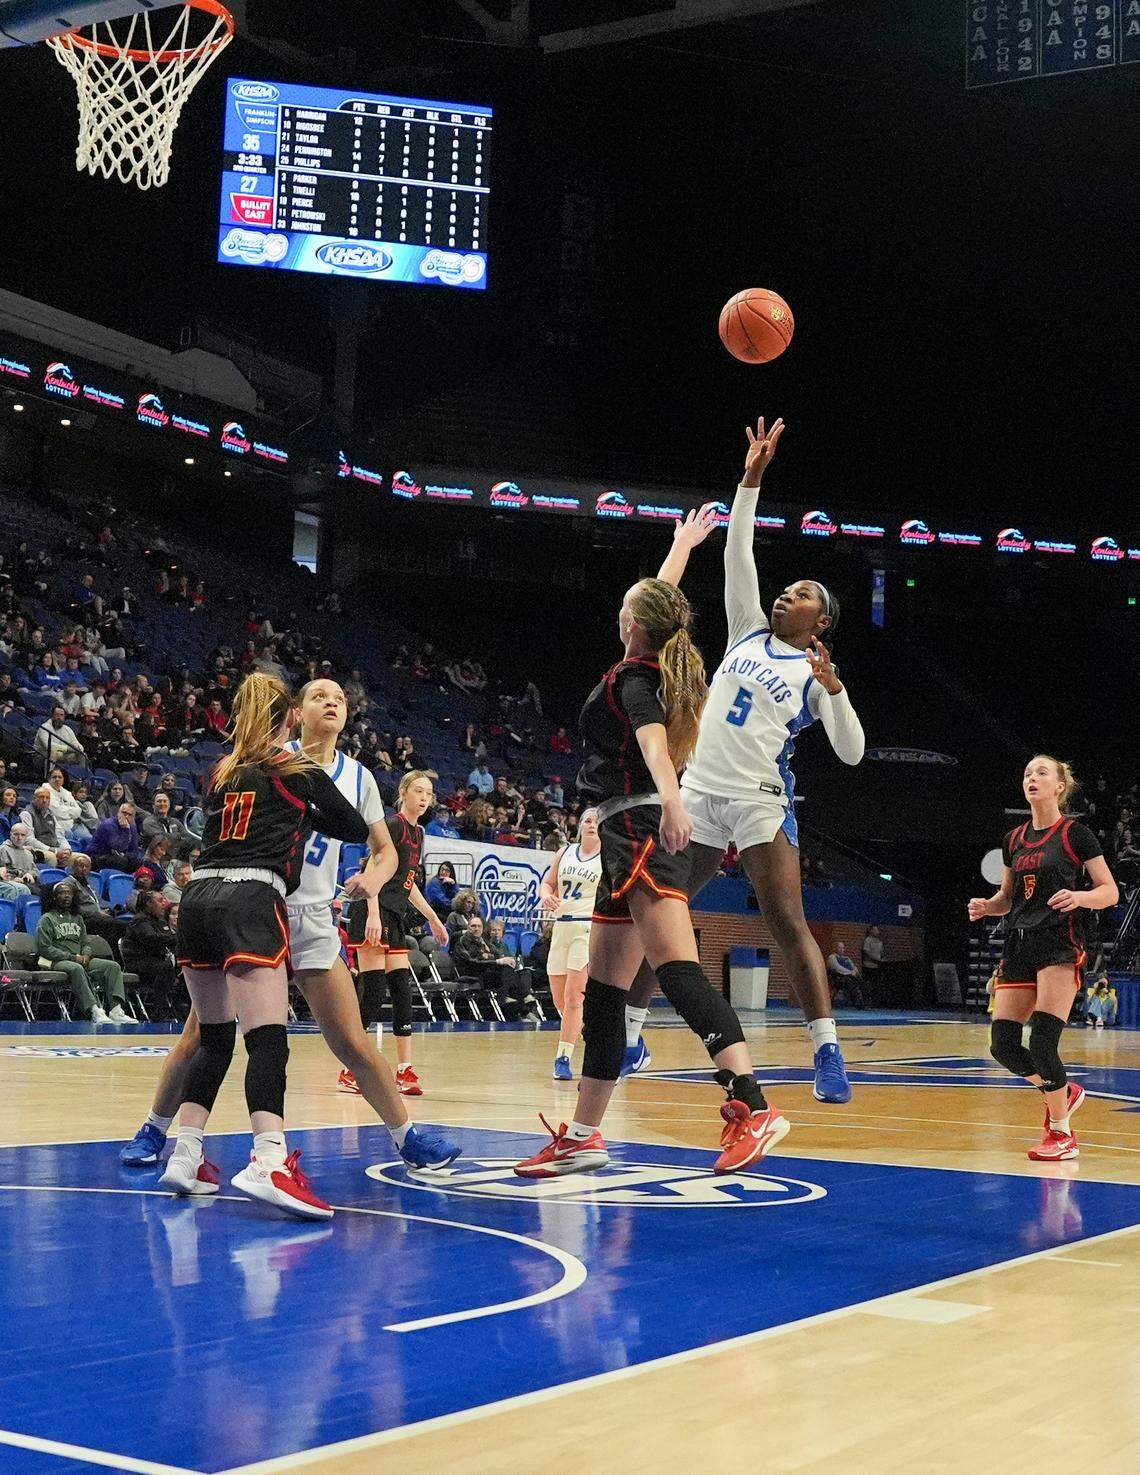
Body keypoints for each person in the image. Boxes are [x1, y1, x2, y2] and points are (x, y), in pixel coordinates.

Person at [515, 515, 789, 1179]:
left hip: (641, 825)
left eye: (625, 607)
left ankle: (753, 1105)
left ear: (634, 622)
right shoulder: (648, 660)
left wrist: (672, 799)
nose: (620, 610)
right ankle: (583, 1134)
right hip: (622, 830)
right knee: (607, 992)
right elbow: (660, 605)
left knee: (676, 967)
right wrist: (681, 548)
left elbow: (652, 743)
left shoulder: (635, 682)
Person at [122, 678, 460, 1175]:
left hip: (311, 916)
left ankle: (406, 1137)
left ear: (347, 716)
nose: (331, 702)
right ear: (296, 712)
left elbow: (385, 850)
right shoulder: (270, 757)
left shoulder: (359, 777)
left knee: (351, 1039)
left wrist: (371, 879)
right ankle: (154, 1128)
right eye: (319, 695)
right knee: (201, 1032)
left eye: (340, 698)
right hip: (257, 904)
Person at [621, 420, 864, 1104]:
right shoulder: (745, 629)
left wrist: (837, 693)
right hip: (698, 789)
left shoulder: (817, 674)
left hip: (759, 797)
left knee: (787, 918)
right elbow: (738, 550)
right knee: (664, 914)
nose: (787, 594)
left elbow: (851, 752)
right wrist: (750, 478)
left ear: (821, 623)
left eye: (803, 595)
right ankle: (633, 1031)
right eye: (787, 589)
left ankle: (827, 1052)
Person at [156, 672, 374, 1215]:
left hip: (198, 899)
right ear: (292, 719)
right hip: (251, 899)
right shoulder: (296, 767)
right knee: (268, 1041)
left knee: (214, 1038)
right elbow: (352, 826)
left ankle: (185, 1155)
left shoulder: (224, 770)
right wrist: (307, 808)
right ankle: (269, 1160)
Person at [968, 755, 1118, 1162]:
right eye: (1027, 774)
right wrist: (988, 906)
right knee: (1002, 1045)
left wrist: (1081, 897)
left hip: (1059, 944)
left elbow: (1110, 891)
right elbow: (1008, 898)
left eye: (1041, 773)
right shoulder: (1013, 839)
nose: (1032, 778)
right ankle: (1062, 1092)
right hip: (1019, 945)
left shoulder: (1076, 834)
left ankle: (1062, 1134)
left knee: (1043, 1041)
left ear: (1059, 787)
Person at [343, 770, 450, 1097]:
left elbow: (408, 883)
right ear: (403, 793)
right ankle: (349, 1069)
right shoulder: (392, 826)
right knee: (373, 991)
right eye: (418, 790)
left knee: (402, 991)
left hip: (394, 915)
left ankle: (405, 1070)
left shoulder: (419, 834)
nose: (423, 797)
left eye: (428, 793)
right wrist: (373, 913)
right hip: (372, 912)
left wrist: (433, 917)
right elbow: (370, 870)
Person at [539, 808, 602, 1080]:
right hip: (561, 926)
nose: (591, 824)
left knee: (574, 997)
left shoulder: (608, 857)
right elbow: (548, 883)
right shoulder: (564, 852)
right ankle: (601, 1036)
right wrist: (545, 895)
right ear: (580, 826)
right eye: (587, 820)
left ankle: (563, 1058)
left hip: (588, 926)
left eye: (597, 821)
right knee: (560, 1000)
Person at [35, 878, 134, 1025]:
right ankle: (94, 1009)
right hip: (52, 961)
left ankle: (116, 1010)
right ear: (54, 897)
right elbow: (44, 949)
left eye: (69, 893)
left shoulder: (78, 918)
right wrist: (73, 957)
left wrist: (86, 954)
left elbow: (85, 942)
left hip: (80, 959)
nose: (67, 896)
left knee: (113, 966)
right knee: (76, 967)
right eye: (62, 893)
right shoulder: (46, 919)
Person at [453, 915, 541, 1022]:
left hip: (492, 972)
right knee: (507, 972)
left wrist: (505, 960)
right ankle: (519, 1008)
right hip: (476, 974)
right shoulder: (462, 942)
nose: (476, 929)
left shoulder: (484, 942)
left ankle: (523, 998)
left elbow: (498, 955)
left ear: (482, 928)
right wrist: (496, 961)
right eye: (473, 926)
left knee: (524, 972)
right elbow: (471, 962)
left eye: (479, 926)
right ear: (468, 927)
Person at [122, 891, 182, 1021]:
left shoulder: (159, 921)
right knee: (166, 968)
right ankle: (159, 1011)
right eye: (160, 901)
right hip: (138, 962)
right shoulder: (140, 920)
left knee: (184, 966)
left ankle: (182, 1007)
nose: (164, 904)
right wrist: (175, 937)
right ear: (149, 903)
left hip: (154, 961)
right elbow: (151, 938)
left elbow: (169, 939)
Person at [68, 852, 128, 944]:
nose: (84, 869)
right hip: (84, 919)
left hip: (97, 916)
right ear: (73, 868)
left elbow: (97, 901)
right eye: (80, 866)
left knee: (122, 922)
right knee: (121, 925)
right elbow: (73, 908)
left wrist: (108, 909)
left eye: (87, 867)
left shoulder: (87, 884)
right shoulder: (69, 884)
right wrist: (97, 913)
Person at [90, 801, 144, 872]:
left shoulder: (132, 826)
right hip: (97, 856)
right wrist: (126, 830)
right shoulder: (108, 824)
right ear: (118, 813)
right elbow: (119, 847)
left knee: (139, 863)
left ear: (133, 817)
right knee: (121, 861)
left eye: (130, 815)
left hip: (116, 857)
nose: (126, 816)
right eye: (124, 813)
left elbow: (134, 850)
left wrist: (125, 855)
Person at [20, 786, 63, 864]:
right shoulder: (26, 813)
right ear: (34, 798)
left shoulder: (51, 814)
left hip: (55, 848)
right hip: (36, 849)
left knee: (82, 859)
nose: (45, 800)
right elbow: (29, 840)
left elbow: (60, 835)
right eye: (41, 797)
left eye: (47, 798)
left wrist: (67, 849)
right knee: (51, 857)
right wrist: (51, 849)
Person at [0, 824, 41, 889]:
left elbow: (35, 871)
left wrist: (30, 874)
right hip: (12, 884)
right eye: (16, 834)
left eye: (23, 835)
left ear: (26, 837)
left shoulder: (28, 853)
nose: (19, 838)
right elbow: (3, 871)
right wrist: (18, 878)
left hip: (28, 882)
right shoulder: (3, 850)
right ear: (10, 834)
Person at [826, 942, 864, 1009]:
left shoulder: (847, 958)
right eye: (839, 948)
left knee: (861, 981)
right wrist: (850, 973)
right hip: (838, 978)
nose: (841, 949)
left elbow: (854, 967)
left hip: (849, 977)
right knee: (850, 982)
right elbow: (837, 968)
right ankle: (857, 1002)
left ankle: (862, 1001)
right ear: (835, 948)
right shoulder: (832, 957)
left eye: (843, 948)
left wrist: (854, 971)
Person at [861, 924, 883, 1002]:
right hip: (868, 966)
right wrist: (876, 959)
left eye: (877, 930)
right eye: (875, 930)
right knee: (867, 985)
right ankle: (866, 1001)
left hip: (877, 967)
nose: (876, 931)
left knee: (876, 985)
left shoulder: (880, 942)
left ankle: (875, 1001)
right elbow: (866, 952)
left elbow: (881, 953)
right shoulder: (867, 940)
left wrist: (881, 960)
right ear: (871, 931)